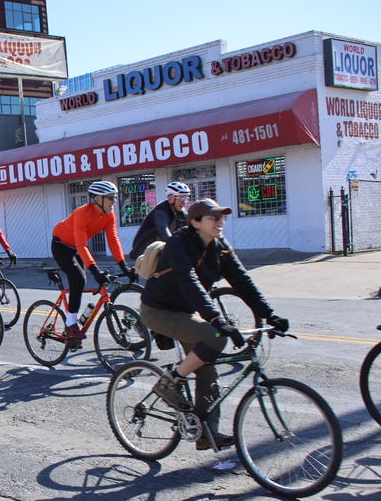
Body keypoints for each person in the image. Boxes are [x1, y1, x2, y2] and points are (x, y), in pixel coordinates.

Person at [139, 199, 289, 450]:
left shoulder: (219, 246)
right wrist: (217, 320)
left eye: (222, 218)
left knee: (207, 368)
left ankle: (206, 433)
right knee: (215, 336)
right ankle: (169, 381)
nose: (220, 222)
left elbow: (242, 280)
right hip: (158, 311)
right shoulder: (179, 243)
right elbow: (189, 282)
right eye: (213, 218)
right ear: (195, 222)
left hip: (184, 312)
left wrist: (269, 314)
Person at [51, 181, 137, 347]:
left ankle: (75, 324)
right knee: (79, 279)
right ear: (98, 199)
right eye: (111, 198)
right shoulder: (82, 213)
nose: (114, 201)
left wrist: (124, 266)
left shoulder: (109, 214)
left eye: (115, 197)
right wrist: (95, 271)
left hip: (76, 246)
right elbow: (82, 246)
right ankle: (70, 324)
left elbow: (113, 240)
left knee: (79, 283)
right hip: (61, 245)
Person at [129, 182, 191, 260]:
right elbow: (163, 229)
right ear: (170, 199)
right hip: (145, 250)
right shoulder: (161, 211)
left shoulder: (181, 212)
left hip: (161, 249)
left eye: (186, 199)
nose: (184, 202)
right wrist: (174, 246)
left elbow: (190, 228)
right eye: (181, 199)